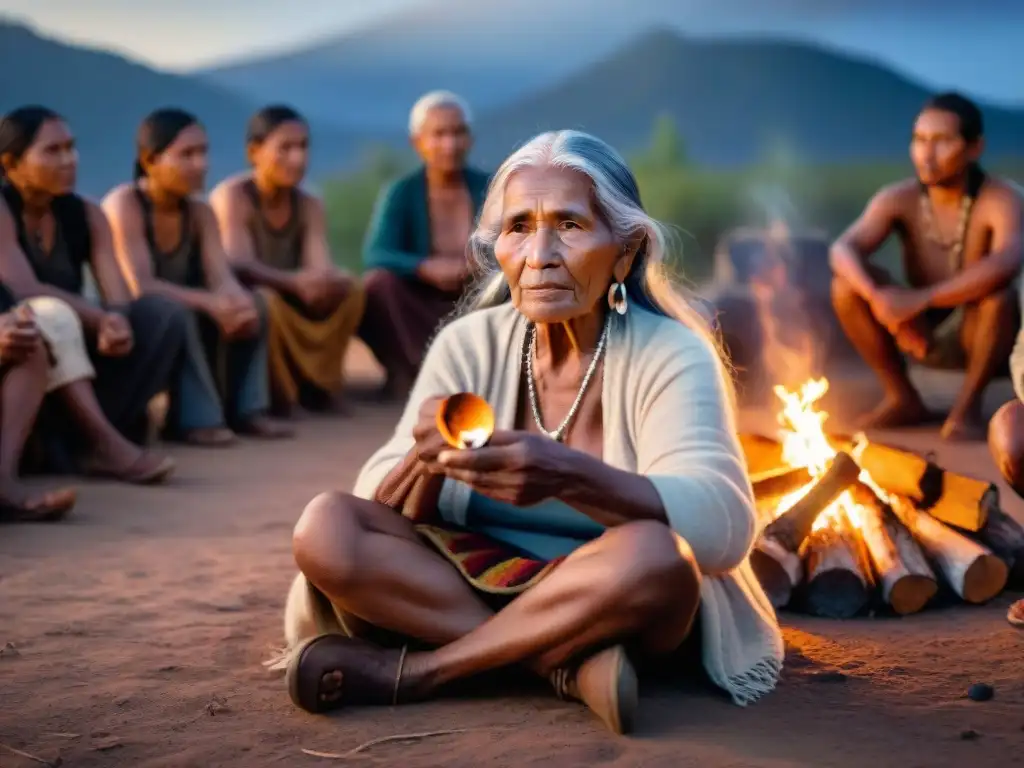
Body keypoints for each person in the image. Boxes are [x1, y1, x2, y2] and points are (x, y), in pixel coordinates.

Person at [274, 131, 783, 734]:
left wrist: (566, 475)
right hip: (462, 584)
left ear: (625, 251)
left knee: (656, 556)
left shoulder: (673, 353)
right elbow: (374, 500)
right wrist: (425, 460)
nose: (540, 253)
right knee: (327, 526)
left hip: (609, 593)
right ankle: (561, 667)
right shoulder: (470, 343)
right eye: (518, 227)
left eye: (568, 224)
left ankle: (420, 673)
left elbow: (721, 527)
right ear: (499, 250)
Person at [0, 106, 181, 480]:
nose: (69, 160)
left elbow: (115, 291)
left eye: (71, 148)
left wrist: (117, 321)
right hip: (26, 339)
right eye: (53, 151)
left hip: (77, 341)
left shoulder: (88, 215)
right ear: (11, 163)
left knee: (162, 315)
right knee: (50, 312)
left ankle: (82, 442)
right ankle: (101, 443)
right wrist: (97, 316)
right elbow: (23, 289)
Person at [830, 92, 1022, 441]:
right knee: (845, 287)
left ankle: (967, 411)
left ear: (974, 147)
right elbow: (842, 249)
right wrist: (881, 301)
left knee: (1001, 298)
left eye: (943, 141)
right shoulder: (898, 198)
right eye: (919, 140)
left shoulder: (1002, 198)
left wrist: (923, 299)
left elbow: (1008, 261)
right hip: (916, 328)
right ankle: (902, 397)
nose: (927, 154)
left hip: (978, 330)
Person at [103, 108, 291, 446]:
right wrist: (211, 303)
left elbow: (220, 274)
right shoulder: (125, 204)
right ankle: (196, 419)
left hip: (190, 306)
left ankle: (249, 410)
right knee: (181, 311)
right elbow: (140, 286)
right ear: (150, 160)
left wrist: (237, 302)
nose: (201, 164)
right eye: (187, 155)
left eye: (203, 153)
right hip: (142, 318)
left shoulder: (200, 211)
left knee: (257, 302)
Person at [210, 105, 365, 416]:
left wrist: (326, 280)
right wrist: (293, 282)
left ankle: (322, 387)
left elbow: (317, 264)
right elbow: (238, 264)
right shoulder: (234, 196)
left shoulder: (309, 203)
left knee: (352, 290)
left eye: (303, 147)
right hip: (247, 296)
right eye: (286, 148)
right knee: (267, 301)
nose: (298, 158)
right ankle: (282, 396)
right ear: (254, 151)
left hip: (293, 293)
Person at [358, 91, 491, 400]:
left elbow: (516, 238)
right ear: (417, 142)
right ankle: (411, 371)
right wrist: (424, 267)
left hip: (474, 296)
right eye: (439, 134)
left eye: (458, 133)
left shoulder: (490, 186)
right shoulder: (402, 192)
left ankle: (489, 373)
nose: (450, 144)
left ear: (469, 138)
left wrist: (477, 264)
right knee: (378, 284)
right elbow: (377, 253)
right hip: (419, 301)